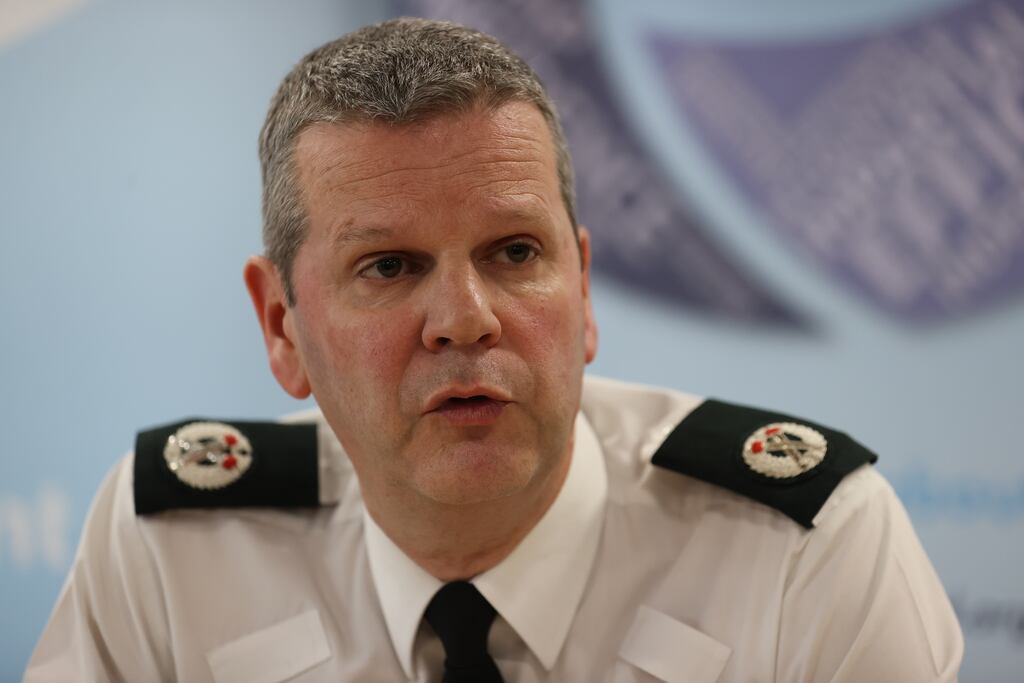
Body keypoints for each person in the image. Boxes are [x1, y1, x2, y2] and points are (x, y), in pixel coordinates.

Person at [25, 17, 963, 682]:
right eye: (389, 266)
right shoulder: (172, 550)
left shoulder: (805, 551)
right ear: (282, 327)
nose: (466, 319)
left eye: (515, 253)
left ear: (584, 289)